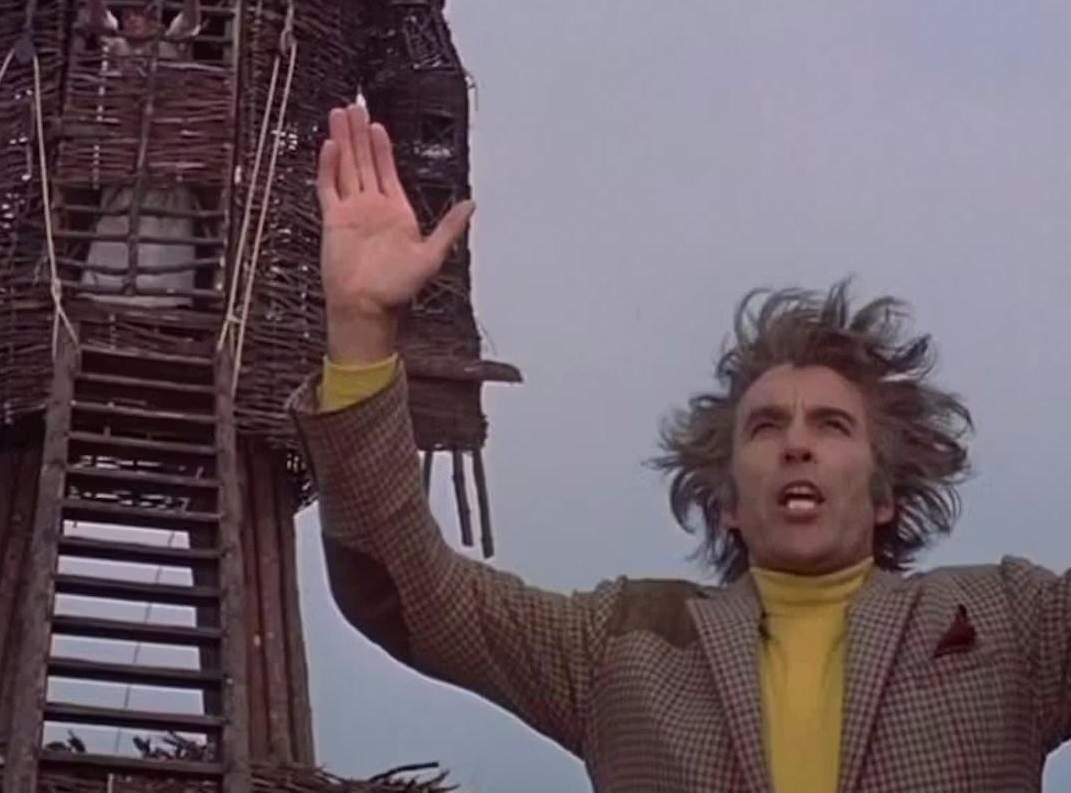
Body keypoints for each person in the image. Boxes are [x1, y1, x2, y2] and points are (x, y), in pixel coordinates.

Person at [288, 104, 1071, 792]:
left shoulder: (1013, 622)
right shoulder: (618, 645)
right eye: (766, 427)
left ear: (885, 494)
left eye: (833, 426)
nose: (796, 445)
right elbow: (405, 591)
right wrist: (360, 326)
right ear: (727, 503)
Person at [77, 0, 203, 308]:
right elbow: (102, 24)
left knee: (166, 226)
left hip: (165, 159)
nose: (132, 21)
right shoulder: (120, 49)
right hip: (125, 156)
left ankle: (166, 299)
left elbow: (189, 23)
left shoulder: (170, 47)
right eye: (127, 16)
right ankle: (108, 293)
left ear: (153, 19)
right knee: (117, 222)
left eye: (139, 15)